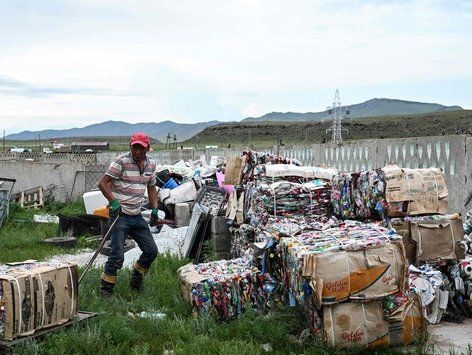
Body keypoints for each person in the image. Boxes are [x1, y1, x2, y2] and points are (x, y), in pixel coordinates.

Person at [98, 132, 160, 297]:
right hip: (120, 215)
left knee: (151, 251)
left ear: (147, 148)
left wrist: (154, 208)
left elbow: (152, 187)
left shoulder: (151, 165)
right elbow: (103, 182)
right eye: (135, 147)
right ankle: (106, 291)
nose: (137, 151)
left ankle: (136, 280)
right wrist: (113, 201)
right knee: (117, 255)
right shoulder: (121, 162)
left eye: (141, 147)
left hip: (136, 215)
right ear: (130, 147)